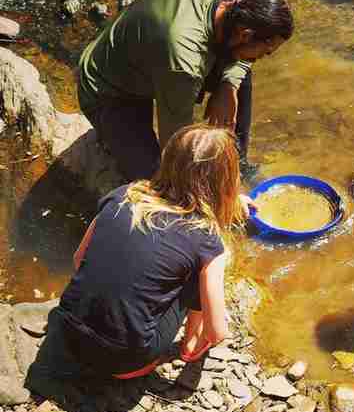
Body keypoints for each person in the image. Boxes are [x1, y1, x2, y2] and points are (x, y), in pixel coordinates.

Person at [54, 124, 243, 379]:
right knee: (199, 270)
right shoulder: (206, 239)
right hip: (124, 362)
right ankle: (190, 343)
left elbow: (79, 259)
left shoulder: (124, 195)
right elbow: (217, 333)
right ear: (226, 181)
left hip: (68, 334)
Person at [78, 0, 294, 182]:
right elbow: (174, 144)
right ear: (245, 34)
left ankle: (236, 164)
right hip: (109, 89)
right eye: (265, 52)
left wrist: (228, 87)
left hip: (151, 58)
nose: (262, 58)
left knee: (240, 66)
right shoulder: (184, 63)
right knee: (161, 179)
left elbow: (241, 59)